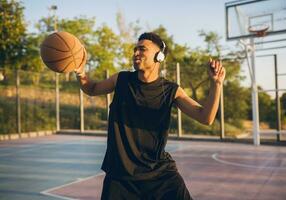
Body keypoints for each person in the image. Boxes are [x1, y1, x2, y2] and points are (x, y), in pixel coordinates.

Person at [75, 32, 225, 200]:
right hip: (120, 177)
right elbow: (92, 89)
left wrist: (216, 84)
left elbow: (206, 117)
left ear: (159, 56)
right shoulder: (121, 79)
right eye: (135, 50)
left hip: (159, 176)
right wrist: (81, 74)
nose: (136, 53)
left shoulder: (171, 90)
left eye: (142, 49)